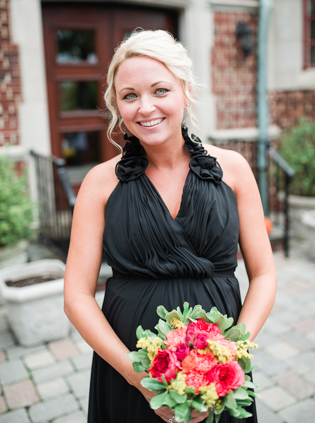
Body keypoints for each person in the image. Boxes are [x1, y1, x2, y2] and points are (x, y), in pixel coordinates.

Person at [64, 30, 276, 423]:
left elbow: (263, 274)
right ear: (118, 106)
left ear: (186, 92)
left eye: (160, 90)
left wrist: (228, 355)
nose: (145, 108)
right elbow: (76, 296)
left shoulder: (234, 170)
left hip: (220, 363)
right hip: (129, 362)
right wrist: (139, 377)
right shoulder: (99, 182)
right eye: (130, 96)